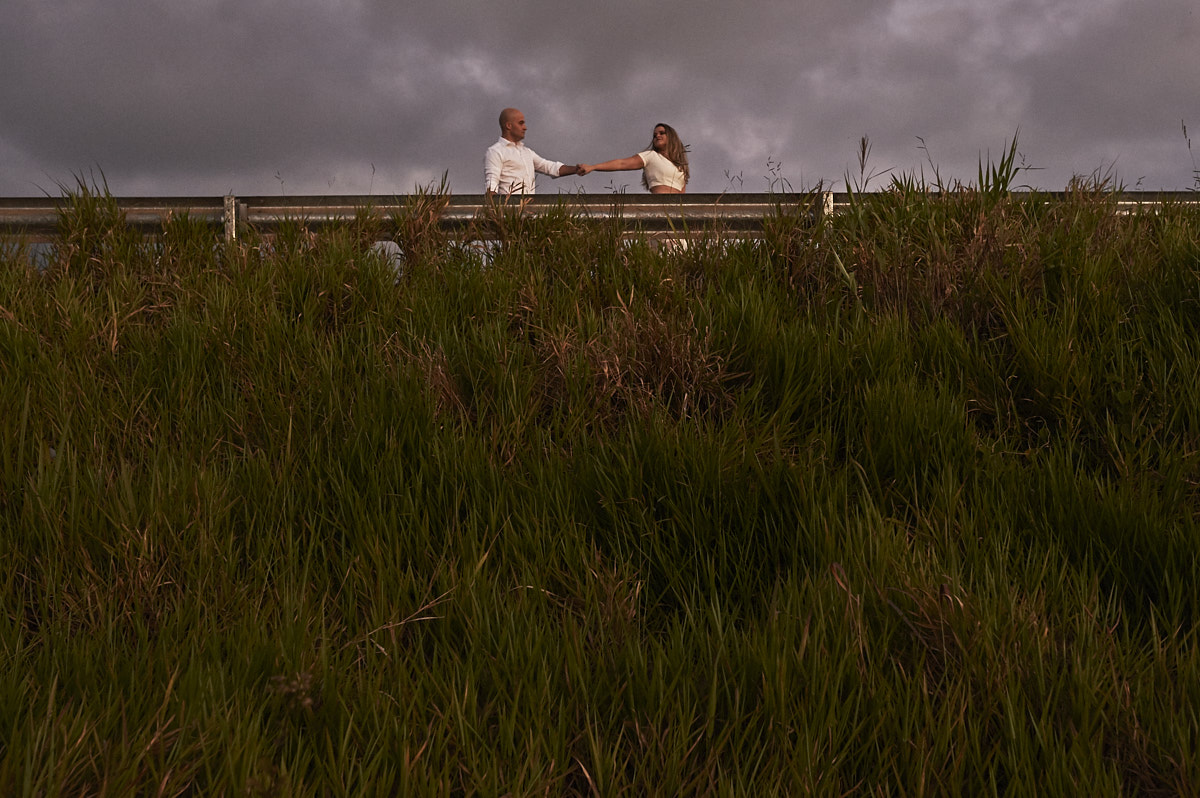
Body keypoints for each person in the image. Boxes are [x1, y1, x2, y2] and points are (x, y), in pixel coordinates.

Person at [484, 108, 581, 195]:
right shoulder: (495, 151)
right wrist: (494, 213)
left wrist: (576, 169)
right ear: (509, 126)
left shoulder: (527, 152)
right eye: (521, 123)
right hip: (509, 211)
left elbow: (549, 167)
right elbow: (492, 185)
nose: (525, 127)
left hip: (528, 209)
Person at [577, 123, 689, 193]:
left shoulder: (680, 166)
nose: (657, 136)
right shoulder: (651, 156)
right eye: (655, 135)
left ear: (671, 137)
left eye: (661, 133)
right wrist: (593, 167)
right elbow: (621, 164)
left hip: (678, 210)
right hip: (661, 205)